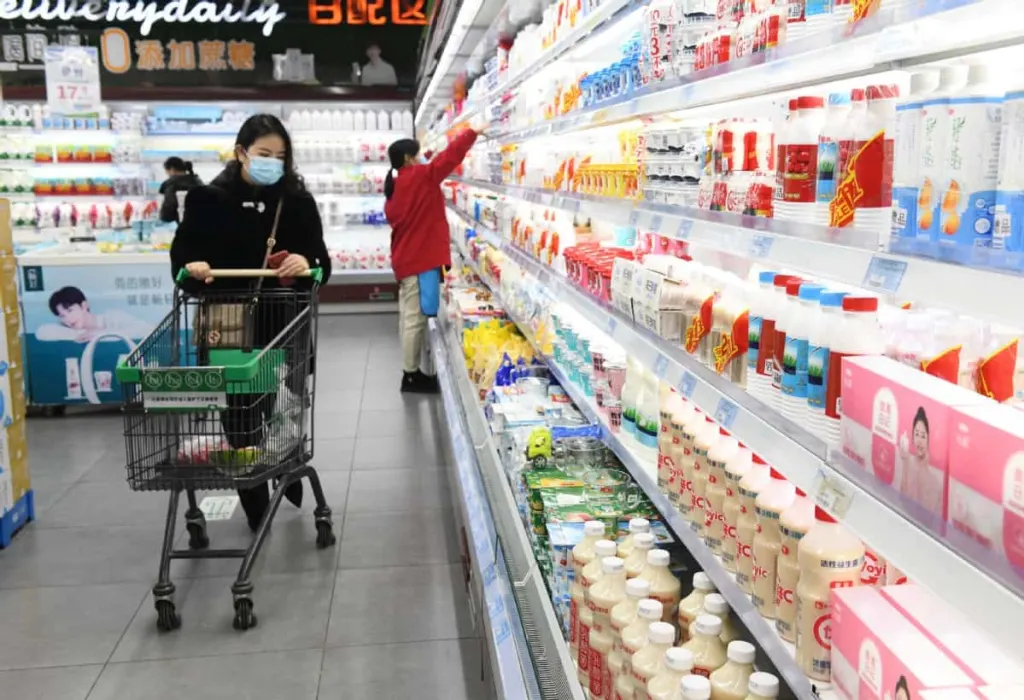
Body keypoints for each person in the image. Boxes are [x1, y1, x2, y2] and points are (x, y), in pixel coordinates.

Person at [171, 114, 332, 532]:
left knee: (285, 410)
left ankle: (285, 469)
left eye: (281, 156)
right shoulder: (208, 199)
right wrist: (195, 267)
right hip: (228, 322)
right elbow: (181, 262)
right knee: (242, 414)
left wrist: (307, 262)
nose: (273, 162)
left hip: (284, 321)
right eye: (264, 154)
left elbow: (322, 264)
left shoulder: (297, 202)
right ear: (241, 152)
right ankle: (256, 501)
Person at [384, 126, 481, 393]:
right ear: (408, 159)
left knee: (409, 315)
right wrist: (471, 133)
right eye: (418, 155)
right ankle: (410, 375)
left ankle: (411, 370)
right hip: (418, 259)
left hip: (406, 258)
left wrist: (425, 154)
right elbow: (448, 159)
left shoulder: (399, 183)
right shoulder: (421, 178)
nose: (423, 159)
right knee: (414, 318)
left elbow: (427, 166)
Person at [37, 286, 152, 341]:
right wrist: (81, 334)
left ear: (84, 306)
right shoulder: (72, 331)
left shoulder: (112, 317)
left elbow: (144, 328)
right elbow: (41, 332)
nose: (67, 319)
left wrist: (102, 334)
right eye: (62, 316)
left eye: (70, 311)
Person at [158, 156, 203, 223]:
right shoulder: (198, 182)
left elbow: (167, 213)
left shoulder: (172, 185)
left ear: (172, 169)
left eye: (166, 171)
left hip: (185, 226)